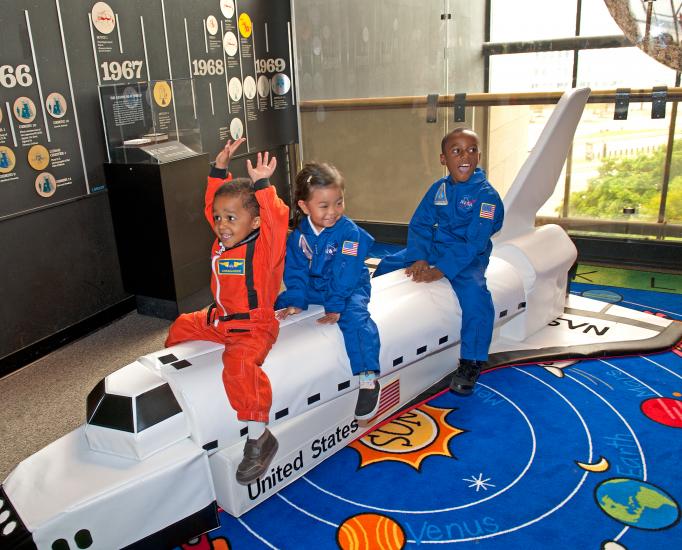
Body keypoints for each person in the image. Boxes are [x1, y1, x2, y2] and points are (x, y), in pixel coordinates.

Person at [165, 138, 289, 484]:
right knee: (181, 326)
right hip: (220, 319)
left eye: (231, 218)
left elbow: (277, 218)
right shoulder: (225, 240)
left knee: (239, 365)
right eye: (219, 218)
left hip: (253, 326)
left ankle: (259, 436)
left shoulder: (265, 246)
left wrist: (264, 184)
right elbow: (211, 204)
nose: (221, 224)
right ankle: (180, 392)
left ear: (254, 222)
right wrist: (218, 170)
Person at [373, 128, 504, 395]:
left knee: (476, 298)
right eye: (456, 151)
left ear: (479, 155)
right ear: (443, 159)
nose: (464, 156)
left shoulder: (486, 196)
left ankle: (472, 361)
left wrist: (441, 270)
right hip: (435, 247)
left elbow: (475, 242)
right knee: (387, 264)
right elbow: (420, 223)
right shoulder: (439, 189)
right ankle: (374, 319)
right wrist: (419, 257)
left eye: (471, 150)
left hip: (468, 256)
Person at [275, 162, 382, 420]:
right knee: (280, 301)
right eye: (324, 206)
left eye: (339, 202)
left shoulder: (349, 233)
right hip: (317, 285)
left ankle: (368, 378)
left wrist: (335, 306)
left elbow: (345, 273)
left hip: (350, 285)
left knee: (356, 318)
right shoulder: (299, 236)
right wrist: (297, 299)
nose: (333, 212)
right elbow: (296, 270)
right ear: (303, 206)